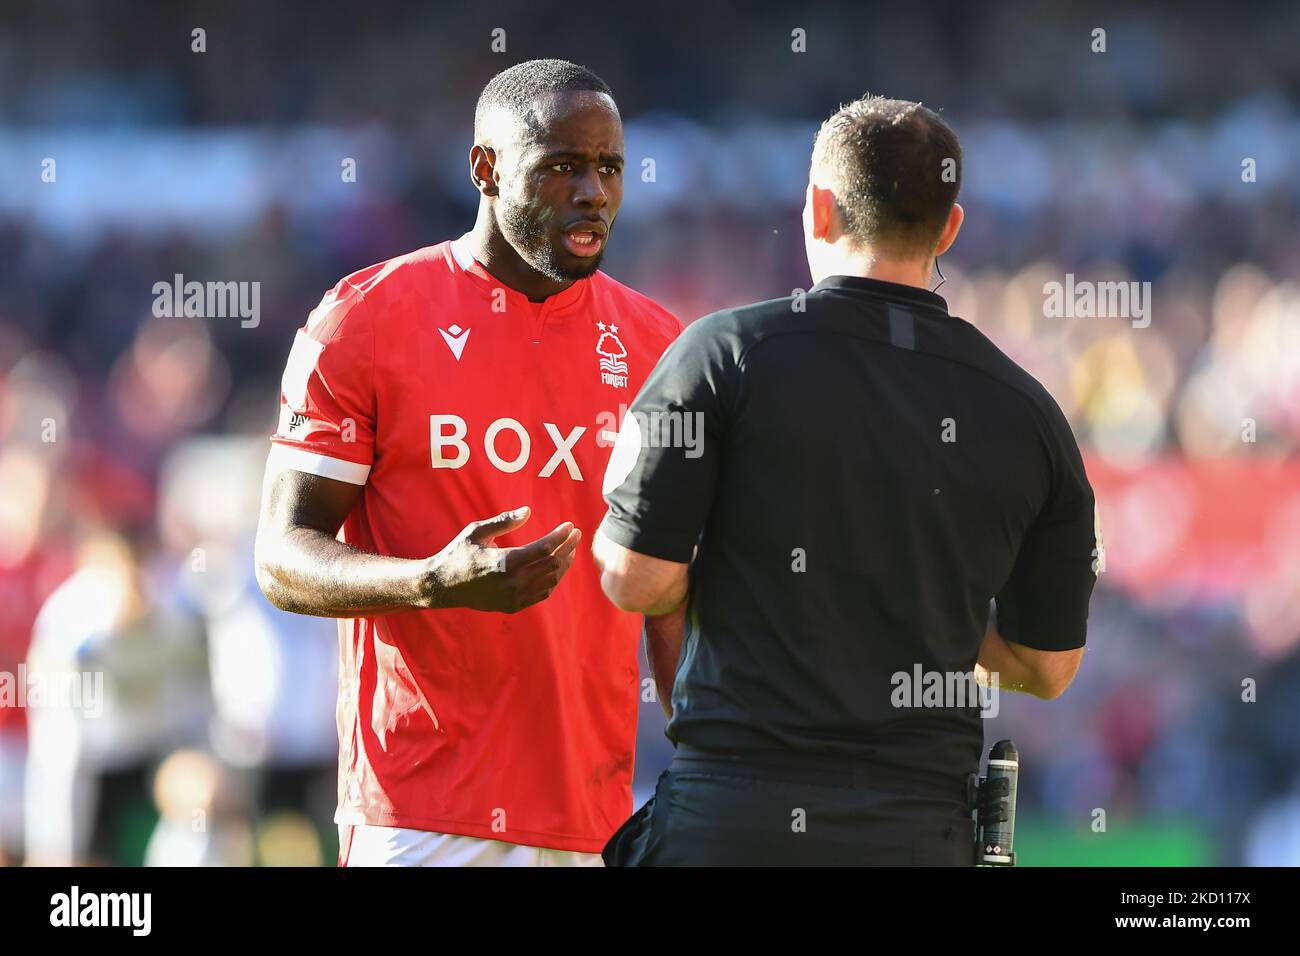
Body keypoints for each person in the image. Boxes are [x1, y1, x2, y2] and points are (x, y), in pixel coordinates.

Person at [593, 95, 1100, 866]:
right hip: (918, 829)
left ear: (818, 209)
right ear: (950, 229)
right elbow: (1047, 666)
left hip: (734, 820)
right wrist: (917, 618)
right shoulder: (1031, 415)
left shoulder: (720, 356)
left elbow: (636, 577)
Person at [254, 59, 682, 867]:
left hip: (593, 817)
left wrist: (704, 768)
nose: (593, 191)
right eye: (562, 166)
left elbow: (669, 591)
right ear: (485, 168)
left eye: (609, 167)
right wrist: (429, 582)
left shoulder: (661, 347)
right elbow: (281, 558)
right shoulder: (366, 318)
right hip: (418, 813)